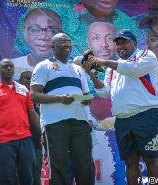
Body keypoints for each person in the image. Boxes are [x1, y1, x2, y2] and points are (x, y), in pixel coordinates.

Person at [83, 29, 158, 185]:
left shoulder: (146, 56)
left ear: (134, 43)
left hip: (145, 115)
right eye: (118, 43)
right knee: (130, 161)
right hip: (122, 120)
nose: (120, 46)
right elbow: (106, 93)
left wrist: (104, 62)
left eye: (124, 42)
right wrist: (93, 76)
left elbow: (132, 70)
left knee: (150, 158)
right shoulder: (113, 69)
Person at [30, 33, 94, 185]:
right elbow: (34, 95)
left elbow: (86, 94)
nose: (67, 45)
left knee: (85, 165)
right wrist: (59, 99)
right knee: (59, 166)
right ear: (52, 46)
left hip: (80, 122)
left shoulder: (77, 69)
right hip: (55, 123)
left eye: (69, 42)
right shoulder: (43, 66)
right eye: (62, 42)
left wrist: (86, 100)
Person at [0, 59, 41, 185]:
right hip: (3, 141)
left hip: (25, 139)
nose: (9, 68)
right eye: (5, 66)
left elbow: (33, 114)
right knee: (7, 179)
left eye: (11, 66)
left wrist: (43, 134)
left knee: (27, 178)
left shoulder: (24, 90)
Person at [12, 8, 62, 80]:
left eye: (52, 31)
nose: (43, 37)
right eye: (35, 30)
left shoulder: (69, 69)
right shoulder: (11, 67)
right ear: (24, 33)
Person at [19, 71, 42, 185]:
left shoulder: (41, 100)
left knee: (36, 177)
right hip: (20, 145)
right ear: (20, 81)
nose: (29, 80)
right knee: (21, 178)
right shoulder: (15, 100)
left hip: (37, 144)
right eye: (27, 78)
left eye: (32, 79)